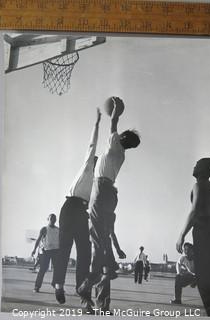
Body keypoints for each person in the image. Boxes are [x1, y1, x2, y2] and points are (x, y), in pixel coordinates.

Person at [78, 97, 140, 312]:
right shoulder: (120, 154)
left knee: (99, 245)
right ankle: (103, 289)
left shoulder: (114, 144)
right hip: (110, 194)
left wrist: (116, 109)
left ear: (123, 137)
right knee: (102, 246)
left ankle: (86, 287)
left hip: (102, 190)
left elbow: (113, 122)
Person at [53, 109, 101, 311]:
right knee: (64, 249)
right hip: (70, 206)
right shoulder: (88, 166)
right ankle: (59, 285)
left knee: (84, 254)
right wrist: (97, 123)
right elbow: (92, 146)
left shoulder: (98, 184)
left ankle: (84, 298)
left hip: (82, 213)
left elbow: (95, 207)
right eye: (96, 161)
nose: (97, 163)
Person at [176, 158, 210, 316]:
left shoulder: (199, 185)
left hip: (205, 235)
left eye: (197, 163)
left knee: (207, 283)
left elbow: (195, 211)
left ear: (203, 169)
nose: (194, 165)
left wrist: (181, 235)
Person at [31, 214, 59, 292]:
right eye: (51, 219)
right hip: (46, 251)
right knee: (43, 269)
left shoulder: (58, 230)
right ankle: (37, 286)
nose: (52, 220)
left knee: (57, 269)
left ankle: (55, 284)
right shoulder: (44, 229)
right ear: (48, 219)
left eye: (54, 219)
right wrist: (34, 250)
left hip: (55, 251)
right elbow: (38, 240)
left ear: (55, 220)